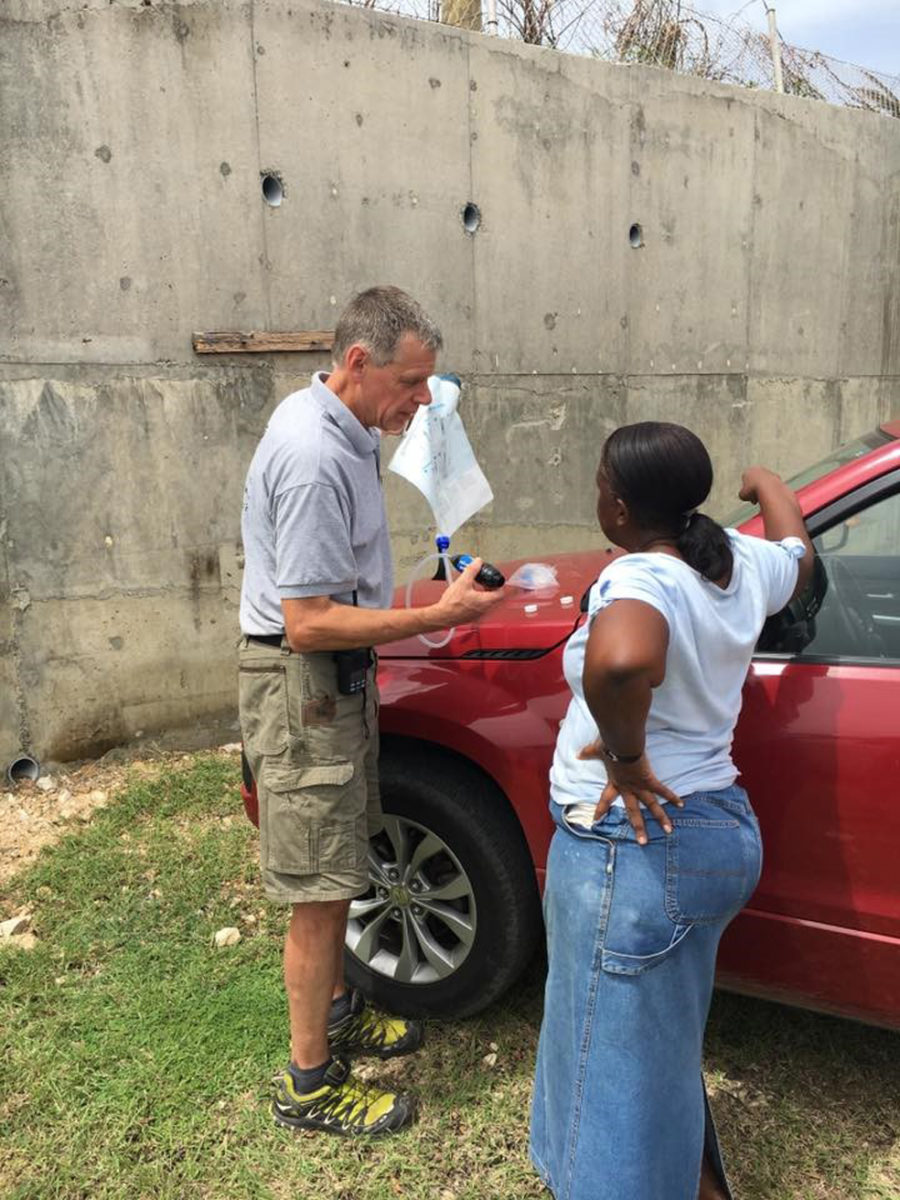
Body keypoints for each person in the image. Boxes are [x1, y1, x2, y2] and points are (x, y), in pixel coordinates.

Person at [238, 286, 503, 1137]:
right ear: (359, 363)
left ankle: (345, 1012)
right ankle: (309, 1083)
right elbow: (306, 619)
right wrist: (433, 619)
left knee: (346, 851)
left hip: (333, 682)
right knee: (319, 889)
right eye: (412, 383)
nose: (422, 401)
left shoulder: (347, 428)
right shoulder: (315, 455)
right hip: (303, 681)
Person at [530, 421, 814, 1199]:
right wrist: (768, 482)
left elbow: (622, 664)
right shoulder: (738, 560)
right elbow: (800, 555)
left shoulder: (641, 580)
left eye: (598, 485)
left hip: (636, 848)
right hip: (715, 830)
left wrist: (625, 760)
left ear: (618, 509)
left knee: (609, 1068)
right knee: (654, 1044)